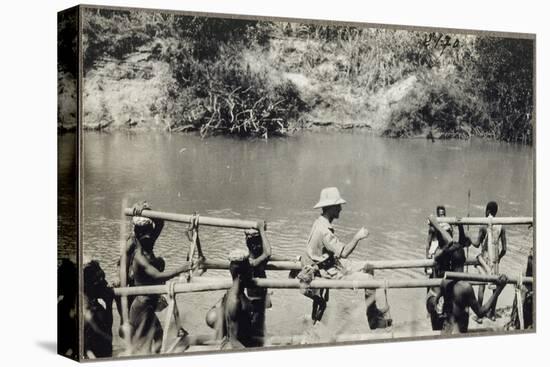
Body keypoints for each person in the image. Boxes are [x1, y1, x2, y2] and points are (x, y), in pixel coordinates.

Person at [300, 187, 392, 329]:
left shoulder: (319, 222)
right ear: (330, 208)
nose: (340, 209)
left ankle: (372, 312)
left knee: (369, 267)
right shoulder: (324, 230)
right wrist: (358, 236)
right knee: (369, 280)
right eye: (338, 206)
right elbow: (343, 252)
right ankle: (373, 320)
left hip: (330, 263)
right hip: (326, 270)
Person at [128, 203, 193, 355]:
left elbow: (160, 222)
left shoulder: (148, 244)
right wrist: (180, 269)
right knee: (147, 346)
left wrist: (146, 211)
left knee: (158, 338)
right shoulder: (139, 255)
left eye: (150, 232)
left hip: (149, 305)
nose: (150, 236)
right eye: (145, 233)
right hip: (142, 306)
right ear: (138, 234)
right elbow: (156, 275)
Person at [425, 214, 470, 330]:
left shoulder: (452, 249)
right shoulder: (440, 251)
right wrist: (435, 224)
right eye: (442, 234)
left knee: (449, 326)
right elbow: (452, 245)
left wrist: (460, 226)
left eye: (448, 233)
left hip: (446, 295)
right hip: (436, 296)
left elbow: (460, 244)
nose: (444, 236)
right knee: (437, 328)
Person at [465, 201, 507, 321]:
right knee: (495, 285)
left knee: (482, 285)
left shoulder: (484, 225)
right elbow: (504, 249)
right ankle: (492, 314)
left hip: (485, 257)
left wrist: (468, 236)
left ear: (488, 211)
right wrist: (498, 257)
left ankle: (479, 315)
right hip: (495, 259)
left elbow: (477, 244)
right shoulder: (501, 225)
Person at [438, 274, 508, 334]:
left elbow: (435, 302)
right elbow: (480, 313)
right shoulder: (465, 287)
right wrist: (499, 289)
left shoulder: (444, 282)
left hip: (446, 329)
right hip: (458, 332)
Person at [220, 249, 257, 349]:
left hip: (244, 341)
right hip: (235, 347)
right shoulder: (235, 301)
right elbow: (233, 341)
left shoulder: (238, 292)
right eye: (249, 270)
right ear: (241, 276)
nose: (251, 273)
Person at [83, 259, 114, 359]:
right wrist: (109, 304)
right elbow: (108, 336)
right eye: (101, 281)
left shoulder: (95, 306)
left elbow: (108, 327)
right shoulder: (92, 311)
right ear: (93, 285)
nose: (106, 283)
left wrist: (109, 304)